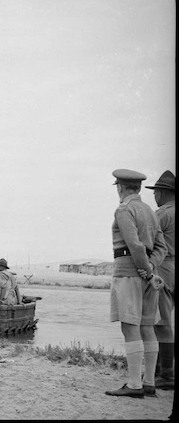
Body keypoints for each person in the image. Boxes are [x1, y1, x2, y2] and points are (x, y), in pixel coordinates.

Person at [105, 169, 168, 399]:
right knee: (147, 326)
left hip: (128, 274)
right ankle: (149, 382)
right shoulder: (150, 211)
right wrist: (151, 269)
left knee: (129, 326)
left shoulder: (124, 209)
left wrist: (146, 272)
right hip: (151, 275)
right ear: (139, 188)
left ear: (120, 187)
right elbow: (162, 247)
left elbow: (135, 246)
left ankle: (133, 385)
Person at [146, 170, 175, 390]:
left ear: (161, 193)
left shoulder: (161, 214)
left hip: (164, 269)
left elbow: (148, 244)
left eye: (156, 191)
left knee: (161, 323)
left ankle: (165, 376)